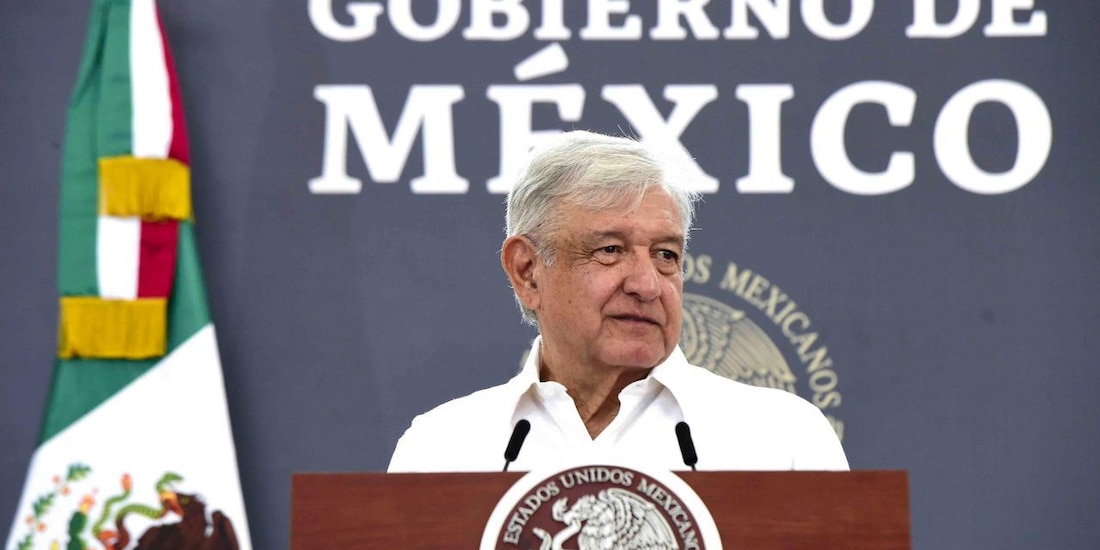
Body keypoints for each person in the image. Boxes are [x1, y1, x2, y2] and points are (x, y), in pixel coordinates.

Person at [388, 131, 848, 472]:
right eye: (610, 250)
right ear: (528, 271)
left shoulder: (783, 439)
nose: (648, 285)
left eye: (666, 255)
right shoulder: (440, 450)